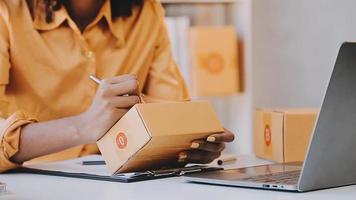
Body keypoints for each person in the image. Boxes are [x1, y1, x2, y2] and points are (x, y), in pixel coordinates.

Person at [0, 0, 235, 172]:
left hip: (118, 177)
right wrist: (82, 127)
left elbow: (171, 111)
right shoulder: (7, 11)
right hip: (32, 179)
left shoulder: (146, 12)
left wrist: (189, 143)